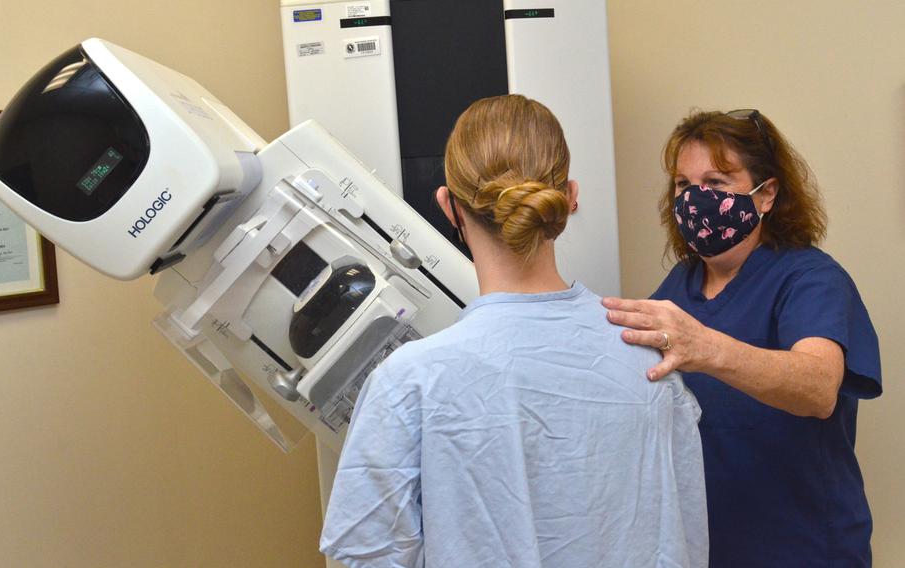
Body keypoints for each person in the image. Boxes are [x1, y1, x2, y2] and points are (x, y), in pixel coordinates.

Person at [319, 94, 708, 567]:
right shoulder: (652, 363)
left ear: (448, 205)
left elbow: (368, 552)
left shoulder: (408, 383)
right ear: (569, 196)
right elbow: (684, 543)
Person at [602, 109, 882, 567]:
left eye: (716, 182)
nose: (695, 199)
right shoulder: (681, 284)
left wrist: (705, 347)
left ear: (766, 193)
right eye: (683, 185)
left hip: (804, 549)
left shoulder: (810, 279)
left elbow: (817, 388)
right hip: (707, 549)